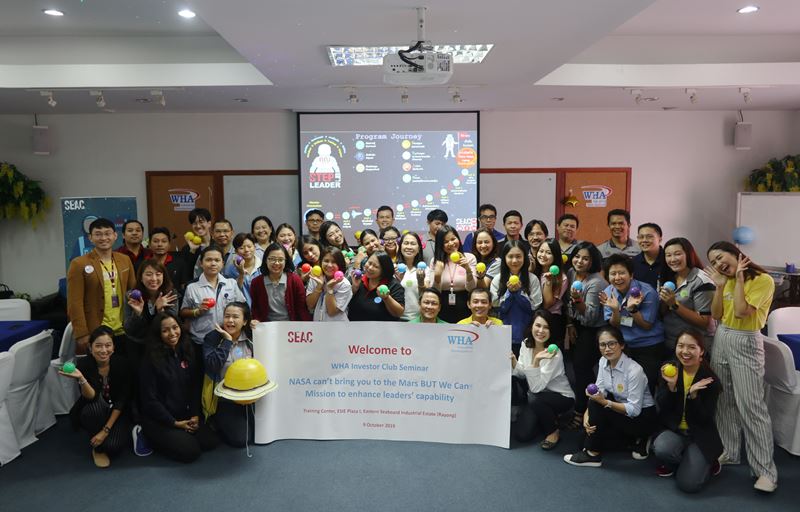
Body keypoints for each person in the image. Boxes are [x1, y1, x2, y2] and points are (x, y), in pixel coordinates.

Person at [705, 241, 778, 493]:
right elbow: (716, 315)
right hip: (722, 336)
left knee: (751, 406)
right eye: (713, 262)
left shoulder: (762, 280)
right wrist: (719, 286)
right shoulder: (724, 280)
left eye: (720, 257)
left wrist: (737, 279)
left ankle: (765, 471)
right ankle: (730, 450)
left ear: (735, 253)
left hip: (745, 339)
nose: (718, 264)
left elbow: (741, 311)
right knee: (724, 399)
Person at [563, 326, 658, 467]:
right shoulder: (603, 361)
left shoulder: (634, 370)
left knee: (596, 413)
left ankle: (593, 454)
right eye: (602, 345)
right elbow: (598, 391)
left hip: (641, 417)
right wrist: (587, 415)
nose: (607, 349)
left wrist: (605, 403)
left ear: (622, 345)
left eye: (612, 344)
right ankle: (632, 441)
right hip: (620, 411)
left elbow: (634, 410)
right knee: (582, 440)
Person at [139, 313, 219, 463]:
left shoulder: (187, 349)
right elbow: (150, 400)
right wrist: (174, 423)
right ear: (158, 334)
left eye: (175, 327)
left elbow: (194, 386)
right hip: (161, 419)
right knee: (191, 452)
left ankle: (181, 435)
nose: (172, 333)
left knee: (211, 441)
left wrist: (195, 415)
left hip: (184, 414)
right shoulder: (150, 359)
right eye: (165, 330)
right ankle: (146, 436)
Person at [653, 330, 723, 493]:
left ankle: (707, 461)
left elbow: (705, 419)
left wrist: (693, 396)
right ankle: (684, 460)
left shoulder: (710, 380)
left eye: (691, 347)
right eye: (681, 346)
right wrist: (671, 387)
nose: (685, 352)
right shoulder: (670, 370)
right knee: (662, 448)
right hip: (675, 431)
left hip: (699, 435)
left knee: (688, 485)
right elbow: (663, 409)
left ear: (701, 351)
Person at [61, 326, 132, 468]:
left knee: (113, 447)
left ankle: (101, 436)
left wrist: (105, 431)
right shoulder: (84, 364)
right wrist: (81, 378)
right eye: (98, 346)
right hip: (95, 408)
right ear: (90, 347)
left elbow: (121, 400)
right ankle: (97, 448)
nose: (103, 350)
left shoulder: (122, 364)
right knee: (92, 409)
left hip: (116, 412)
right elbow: (90, 397)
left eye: (108, 345)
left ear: (113, 347)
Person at [67, 217, 136, 355]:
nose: (103, 238)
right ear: (90, 238)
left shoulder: (124, 260)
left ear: (115, 236)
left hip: (123, 330)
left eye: (107, 233)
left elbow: (132, 291)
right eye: (98, 234)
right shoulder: (79, 264)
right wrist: (81, 333)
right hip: (96, 331)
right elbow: (74, 303)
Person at [600, 254, 664, 394]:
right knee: (625, 388)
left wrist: (633, 310)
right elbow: (614, 325)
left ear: (631, 275)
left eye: (622, 273)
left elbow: (647, 325)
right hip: (624, 347)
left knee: (645, 388)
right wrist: (615, 310)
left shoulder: (647, 291)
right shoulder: (608, 292)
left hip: (648, 346)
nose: (617, 278)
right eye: (613, 274)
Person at [511, 310, 575, 449]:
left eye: (546, 327)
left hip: (560, 397)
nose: (541, 331)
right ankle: (550, 417)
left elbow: (536, 388)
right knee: (522, 435)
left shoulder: (554, 353)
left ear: (551, 331)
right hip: (537, 397)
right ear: (531, 326)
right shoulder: (526, 344)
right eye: (538, 325)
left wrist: (536, 361)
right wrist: (514, 362)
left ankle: (553, 431)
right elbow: (522, 374)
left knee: (534, 398)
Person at [566, 242, 609, 428]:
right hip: (578, 325)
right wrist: (570, 323)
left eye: (585, 258)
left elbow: (590, 318)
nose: (580, 261)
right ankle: (586, 408)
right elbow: (567, 304)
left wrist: (577, 300)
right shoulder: (571, 273)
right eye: (577, 256)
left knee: (582, 370)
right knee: (578, 369)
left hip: (593, 331)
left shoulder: (596, 282)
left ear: (593, 261)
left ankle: (584, 410)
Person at [203, 302, 257, 447]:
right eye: (227, 316)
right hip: (225, 399)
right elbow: (212, 365)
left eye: (235, 317)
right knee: (241, 440)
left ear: (245, 321)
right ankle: (216, 422)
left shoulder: (252, 336)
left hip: (251, 396)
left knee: (261, 433)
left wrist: (262, 329)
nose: (230, 320)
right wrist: (227, 341)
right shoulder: (212, 338)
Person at [180, 245, 246, 347]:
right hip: (201, 340)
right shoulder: (192, 287)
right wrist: (197, 311)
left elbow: (242, 306)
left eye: (217, 260)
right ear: (201, 263)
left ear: (222, 263)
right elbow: (183, 312)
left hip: (228, 338)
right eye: (208, 260)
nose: (213, 263)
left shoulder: (231, 283)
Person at [659, 238, 715, 355]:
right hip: (671, 342)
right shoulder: (669, 277)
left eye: (677, 254)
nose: (672, 259)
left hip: (695, 347)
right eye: (668, 255)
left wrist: (674, 305)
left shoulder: (702, 281)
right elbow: (664, 312)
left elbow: (705, 322)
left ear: (688, 255)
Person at [124, 260, 179, 369]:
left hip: (162, 345)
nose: (153, 279)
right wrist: (137, 314)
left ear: (164, 276)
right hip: (138, 345)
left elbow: (171, 327)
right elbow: (129, 329)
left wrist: (160, 311)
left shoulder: (171, 294)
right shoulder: (132, 295)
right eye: (148, 274)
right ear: (141, 277)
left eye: (158, 274)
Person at [490, 240, 543, 354]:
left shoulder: (532, 279)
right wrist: (509, 293)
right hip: (503, 332)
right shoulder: (497, 279)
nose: (514, 261)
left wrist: (519, 293)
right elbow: (495, 305)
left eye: (518, 256)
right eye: (510, 256)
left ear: (525, 257)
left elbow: (534, 307)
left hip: (526, 332)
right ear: (504, 258)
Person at [250, 243, 311, 322]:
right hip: (267, 326)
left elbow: (302, 308)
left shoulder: (295, 280)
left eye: (280, 259)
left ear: (286, 261)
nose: (276, 263)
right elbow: (255, 308)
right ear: (265, 260)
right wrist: (256, 320)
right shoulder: (256, 283)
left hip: (291, 326)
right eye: (272, 259)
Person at [429, 225, 477, 323]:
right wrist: (437, 276)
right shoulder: (435, 261)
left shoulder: (469, 258)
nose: (451, 243)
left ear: (458, 238)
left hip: (465, 305)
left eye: (453, 239)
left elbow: (472, 288)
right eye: (446, 242)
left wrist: (467, 269)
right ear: (440, 245)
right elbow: (434, 292)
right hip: (442, 306)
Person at [348, 251, 405, 321]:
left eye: (376, 266)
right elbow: (343, 304)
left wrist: (386, 298)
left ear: (384, 270)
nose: (370, 268)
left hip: (383, 327)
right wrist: (354, 288)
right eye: (369, 263)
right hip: (354, 325)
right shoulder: (356, 278)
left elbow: (399, 313)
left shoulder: (394, 285)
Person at [535, 239, 569, 346]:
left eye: (548, 253)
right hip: (536, 318)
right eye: (541, 251)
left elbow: (547, 304)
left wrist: (548, 282)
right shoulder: (535, 271)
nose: (543, 255)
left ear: (555, 256)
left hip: (552, 319)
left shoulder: (561, 278)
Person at [306, 247, 353, 321]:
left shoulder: (344, 284)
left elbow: (332, 312)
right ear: (321, 262)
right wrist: (319, 287)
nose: (329, 265)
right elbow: (310, 305)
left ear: (340, 264)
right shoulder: (315, 278)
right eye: (326, 261)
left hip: (337, 326)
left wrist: (330, 288)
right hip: (318, 324)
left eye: (334, 262)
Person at [222, 233, 262, 306]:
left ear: (255, 247)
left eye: (249, 246)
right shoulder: (231, 270)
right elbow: (231, 292)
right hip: (241, 309)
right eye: (241, 248)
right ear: (236, 251)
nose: (246, 250)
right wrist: (241, 274)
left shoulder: (263, 266)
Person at [395, 232, 427, 322]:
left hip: (419, 319)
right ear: (400, 247)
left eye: (413, 244)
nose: (409, 247)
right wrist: (397, 281)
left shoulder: (425, 269)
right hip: (397, 318)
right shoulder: (393, 269)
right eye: (406, 243)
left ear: (419, 249)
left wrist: (421, 281)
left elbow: (427, 295)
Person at [149, 227, 189, 292]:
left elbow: (184, 287)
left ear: (169, 245)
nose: (160, 244)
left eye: (164, 241)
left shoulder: (180, 263)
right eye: (156, 241)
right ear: (149, 244)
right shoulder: (143, 263)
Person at [179, 207, 213, 279]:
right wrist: (192, 250)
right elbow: (186, 273)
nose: (198, 226)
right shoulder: (187, 249)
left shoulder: (217, 245)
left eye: (201, 222)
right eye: (194, 223)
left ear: (209, 223)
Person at [633, 222, 666, 289]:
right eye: (641, 237)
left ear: (660, 239)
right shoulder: (633, 262)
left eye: (649, 237)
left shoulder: (669, 260)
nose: (644, 240)